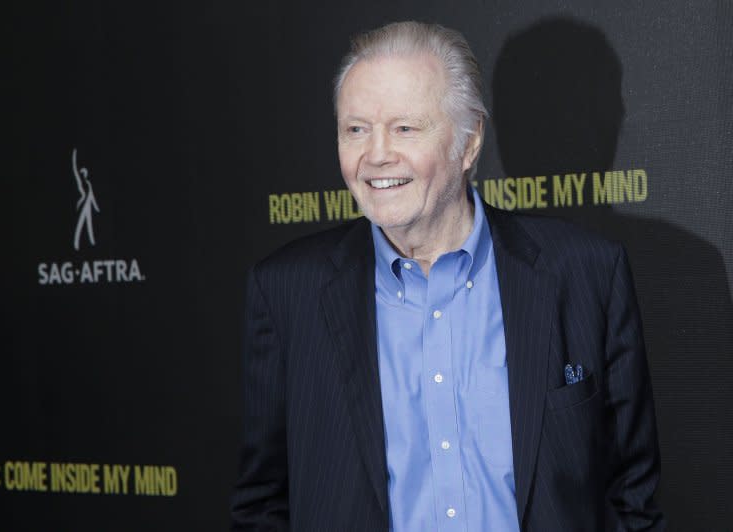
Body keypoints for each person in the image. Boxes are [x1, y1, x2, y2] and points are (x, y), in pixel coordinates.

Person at [231, 21, 664, 531]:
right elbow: (263, 504)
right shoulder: (287, 292)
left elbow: (632, 492)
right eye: (356, 129)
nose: (376, 155)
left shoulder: (585, 272)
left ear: (469, 141)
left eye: (405, 128)